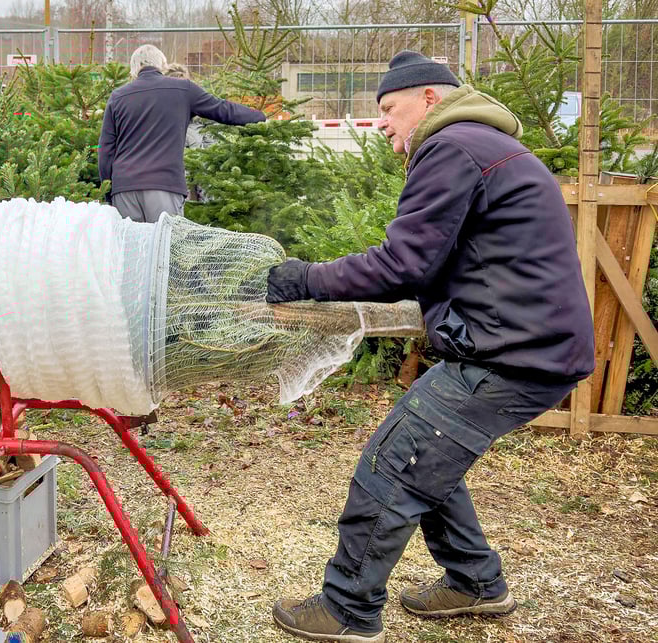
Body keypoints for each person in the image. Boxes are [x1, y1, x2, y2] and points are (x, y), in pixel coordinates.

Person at [265, 50, 595, 642]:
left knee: (394, 462)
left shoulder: (452, 147)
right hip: (530, 347)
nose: (383, 122)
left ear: (431, 100)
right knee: (432, 453)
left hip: (511, 356)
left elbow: (403, 265)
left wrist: (304, 278)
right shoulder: (483, 146)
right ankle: (475, 583)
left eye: (391, 108)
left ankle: (346, 610)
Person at [98, 45, 266, 223]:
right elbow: (222, 109)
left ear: (133, 69)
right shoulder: (182, 89)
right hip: (164, 185)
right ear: (163, 65)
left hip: (124, 189)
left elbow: (106, 148)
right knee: (166, 246)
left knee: (132, 249)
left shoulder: (118, 97)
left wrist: (109, 191)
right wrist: (259, 117)